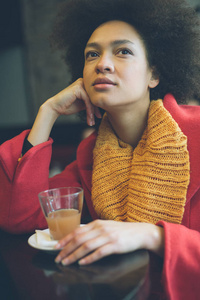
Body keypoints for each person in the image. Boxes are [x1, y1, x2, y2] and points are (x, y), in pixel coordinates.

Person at [1, 0, 200, 298]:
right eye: (92, 54)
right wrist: (48, 111)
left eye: (123, 51)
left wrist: (152, 235)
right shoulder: (91, 154)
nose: (102, 64)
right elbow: (20, 217)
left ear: (154, 75)